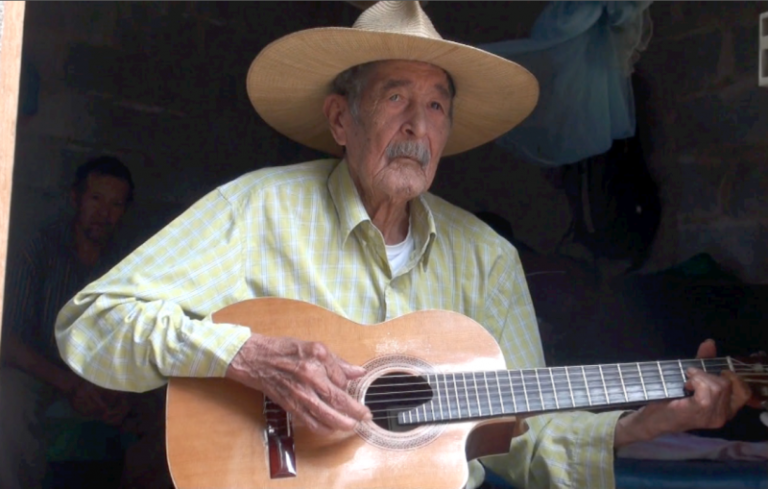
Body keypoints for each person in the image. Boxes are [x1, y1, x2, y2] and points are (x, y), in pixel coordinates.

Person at [54, 3, 751, 489]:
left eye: (437, 105)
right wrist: (243, 354)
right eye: (394, 98)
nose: (417, 125)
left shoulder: (486, 259)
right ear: (339, 118)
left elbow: (524, 446)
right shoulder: (259, 208)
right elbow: (91, 321)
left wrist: (647, 421)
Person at [0, 156, 170, 489]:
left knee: (173, 406)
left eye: (115, 204)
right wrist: (72, 385)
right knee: (8, 396)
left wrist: (121, 391)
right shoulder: (38, 249)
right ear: (75, 198)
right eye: (95, 199)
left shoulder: (127, 262)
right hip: (42, 375)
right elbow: (9, 342)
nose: (103, 213)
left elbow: (138, 341)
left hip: (106, 379)